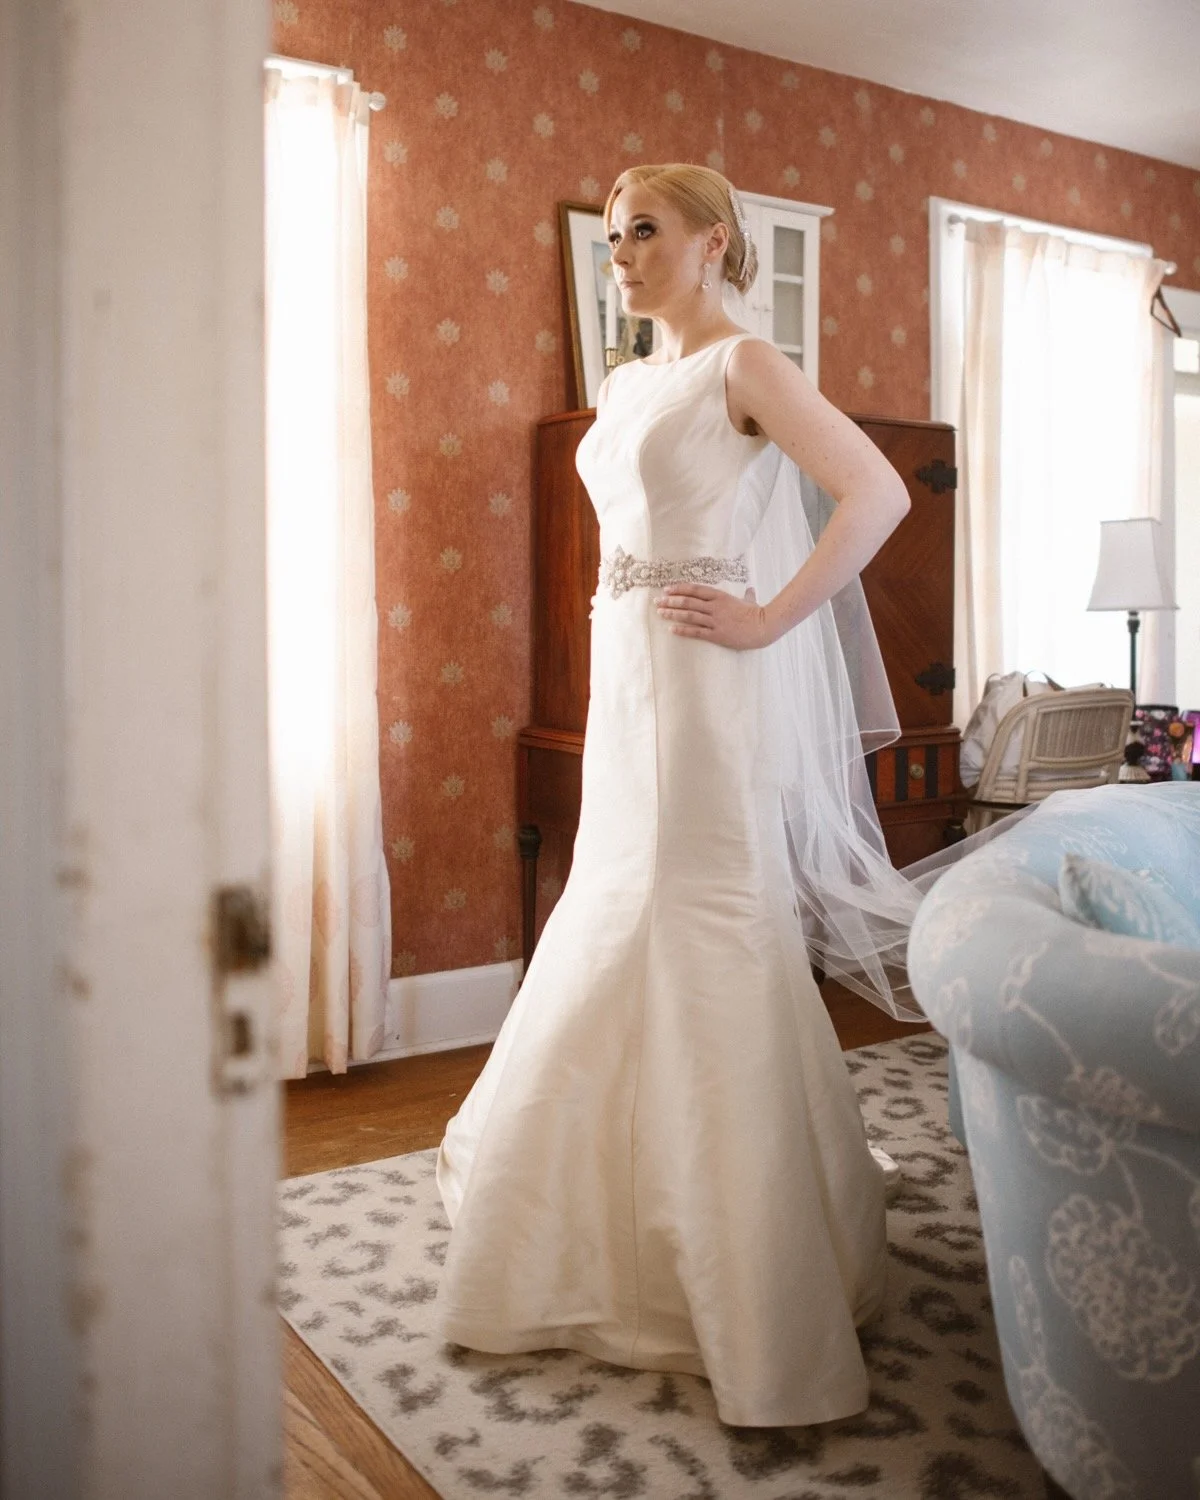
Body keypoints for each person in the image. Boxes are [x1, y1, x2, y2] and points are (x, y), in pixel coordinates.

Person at [432, 163, 928, 1429]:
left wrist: (767, 614)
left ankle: (749, 1278)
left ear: (715, 245)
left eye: (645, 230)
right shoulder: (628, 382)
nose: (623, 252)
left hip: (706, 680)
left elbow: (877, 491)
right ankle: (595, 1223)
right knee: (616, 902)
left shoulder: (744, 367)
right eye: (610, 236)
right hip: (626, 676)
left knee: (700, 914)